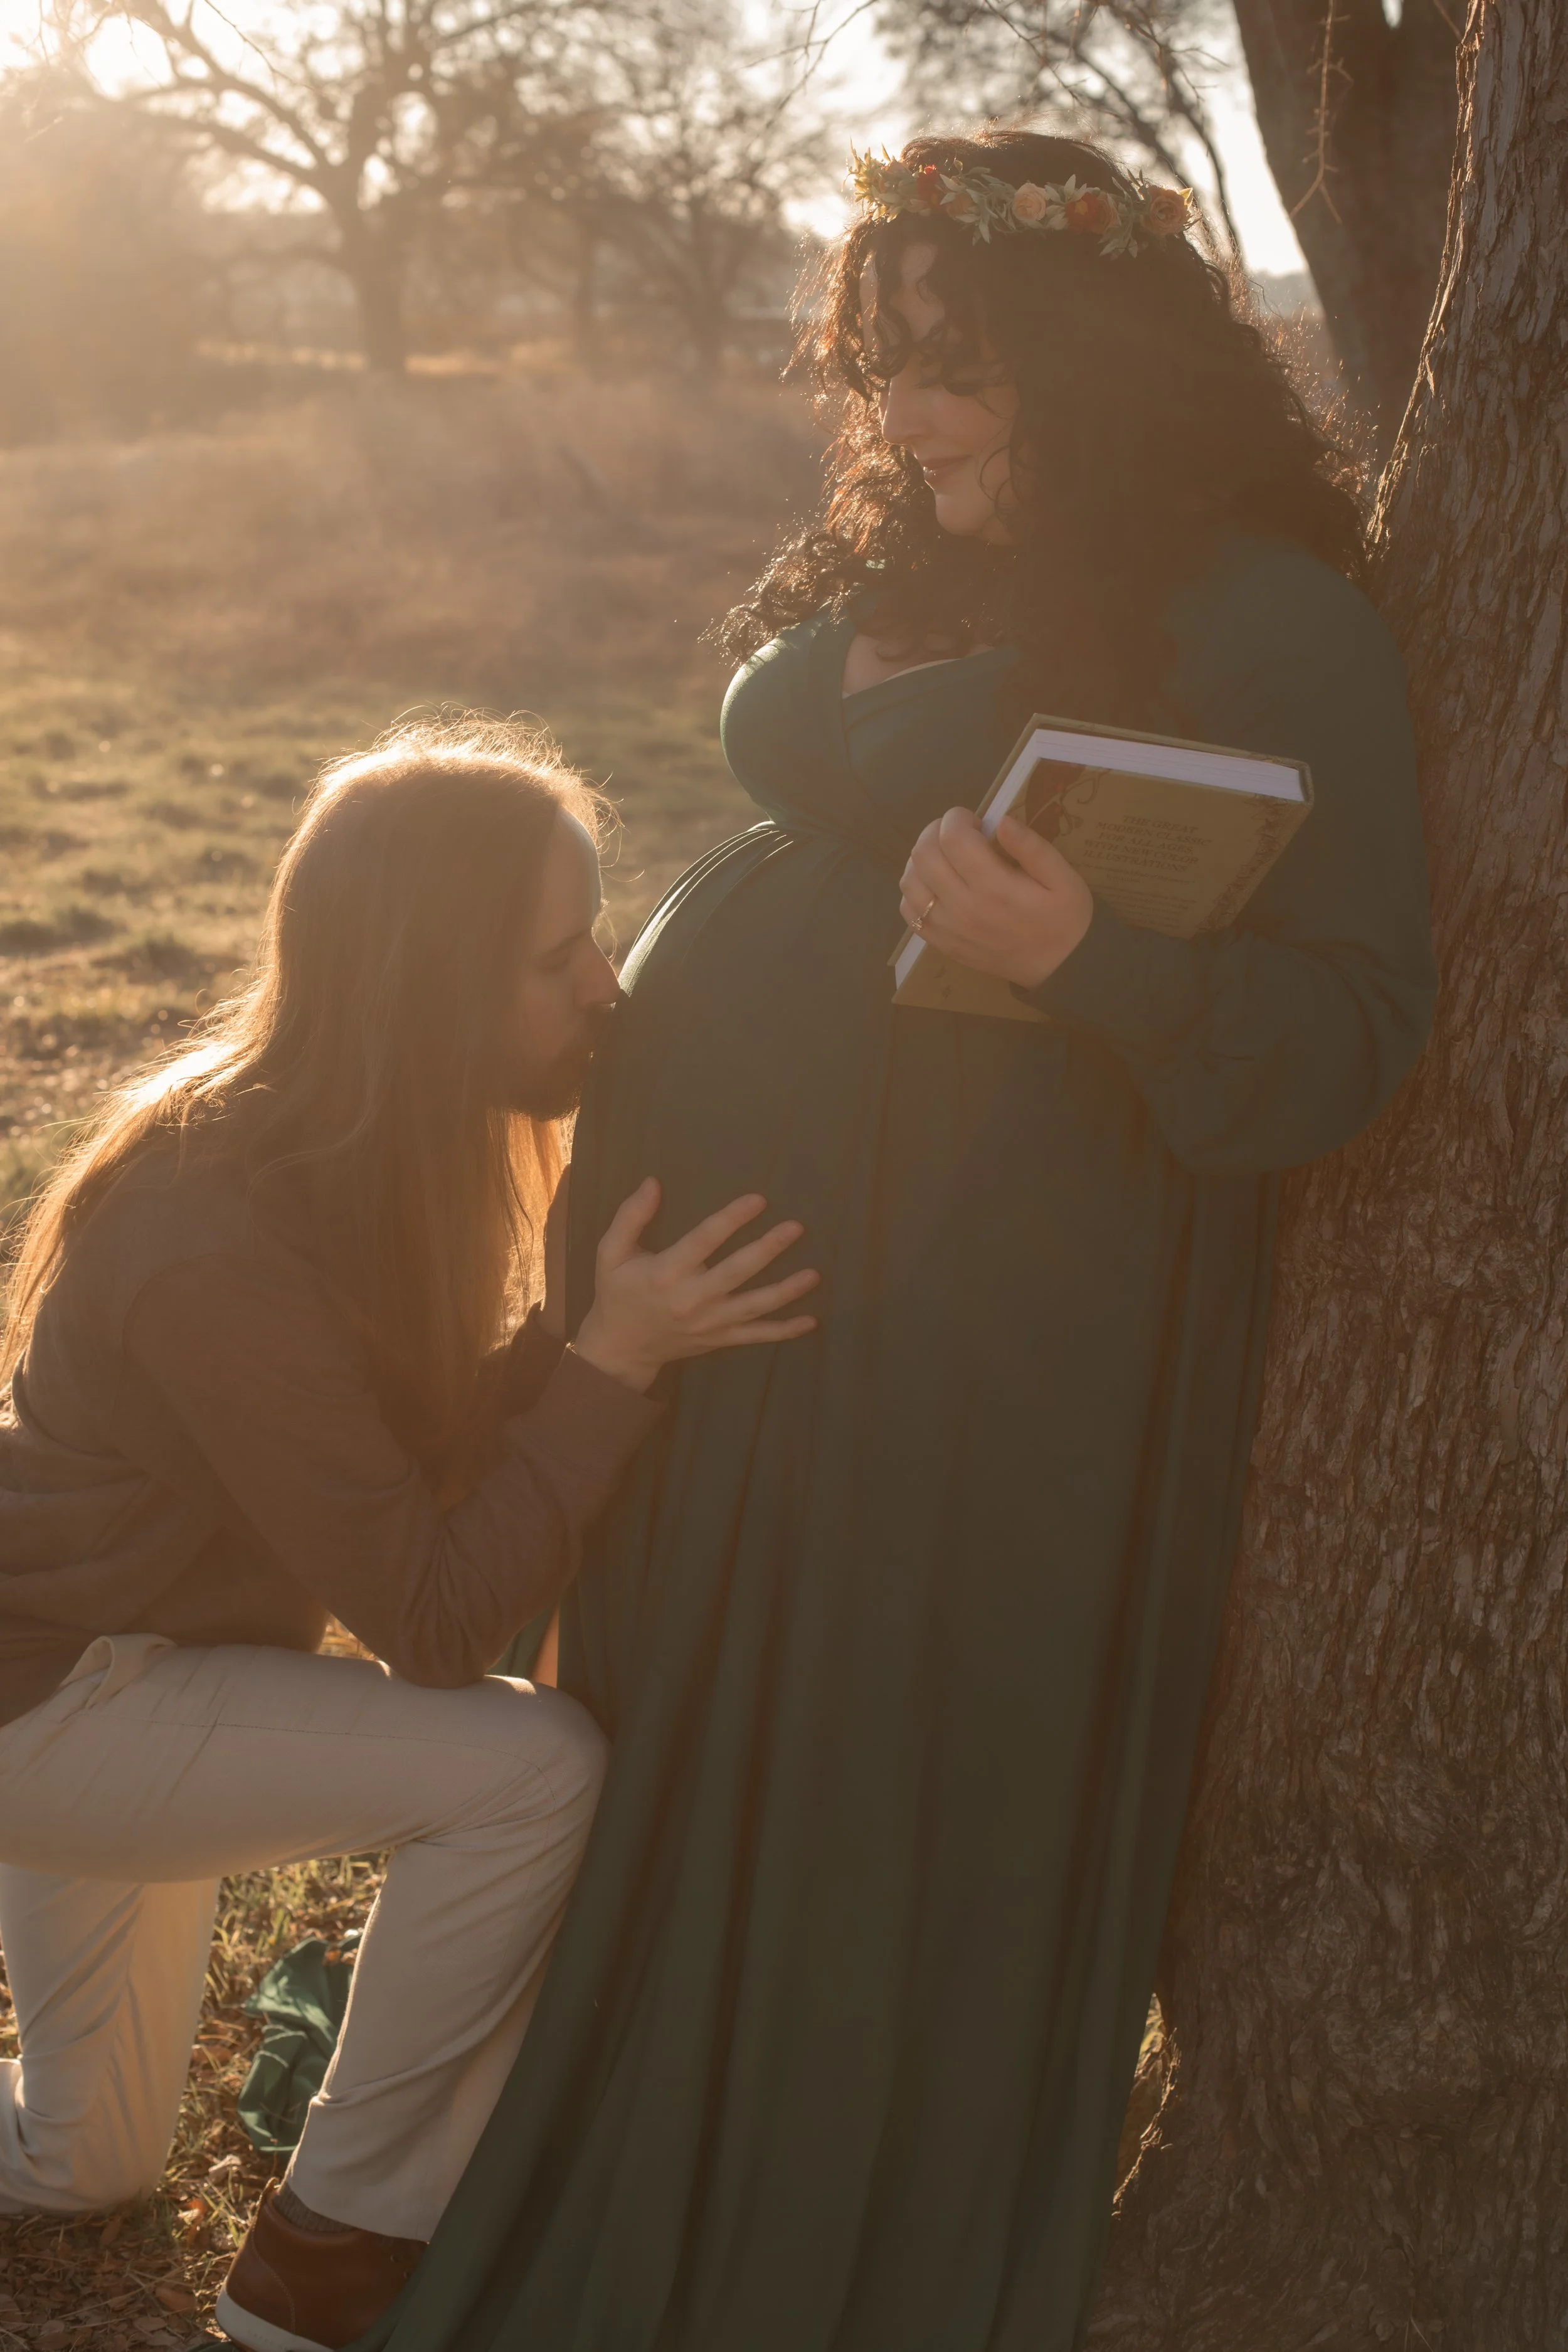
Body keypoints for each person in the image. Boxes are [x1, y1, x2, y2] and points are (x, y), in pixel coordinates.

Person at [365, 134, 1438, 2352]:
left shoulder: (1268, 622)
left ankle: (799, 2266)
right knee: (682, 1745)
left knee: (873, 1788)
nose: (909, 415)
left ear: (1097, 361)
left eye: (960, 369)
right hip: (716, 1317)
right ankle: (583, 2156)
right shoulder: (916, 554)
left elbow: (1350, 1030)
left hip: (981, 1324)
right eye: (884, 367)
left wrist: (1088, 960)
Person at [0, 723, 818, 2352]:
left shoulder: (358, 1152)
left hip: (132, 1669)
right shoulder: (205, 1234)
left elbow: (407, 1461)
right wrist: (609, 1363)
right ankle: (337, 2255)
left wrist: (579, 1334)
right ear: (427, 985)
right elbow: (434, 1617)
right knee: (532, 1770)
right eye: (556, 959)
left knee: (83, 2159)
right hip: (59, 1706)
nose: (604, 988)